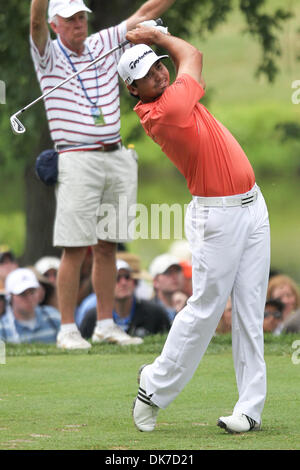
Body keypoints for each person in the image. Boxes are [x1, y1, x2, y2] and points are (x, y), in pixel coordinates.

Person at [117, 25, 271, 434]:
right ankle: (153, 387)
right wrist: (157, 34)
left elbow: (184, 60)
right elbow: (195, 54)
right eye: (148, 76)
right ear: (135, 91)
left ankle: (250, 408)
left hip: (253, 206)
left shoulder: (167, 95)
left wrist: (154, 39)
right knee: (205, 307)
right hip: (217, 217)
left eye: (159, 67)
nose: (160, 75)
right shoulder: (167, 112)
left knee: (250, 310)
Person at [29, 0, 176, 350]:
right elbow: (34, 21)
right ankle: (67, 330)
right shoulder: (46, 55)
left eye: (81, 16)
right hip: (77, 159)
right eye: (70, 19)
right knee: (76, 247)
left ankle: (105, 325)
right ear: (55, 26)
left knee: (109, 246)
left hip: (116, 154)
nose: (79, 23)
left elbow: (144, 14)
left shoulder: (102, 42)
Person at [79, 259, 170, 340]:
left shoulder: (155, 313)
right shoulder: (93, 316)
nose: (123, 282)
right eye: (117, 278)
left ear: (134, 282)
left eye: (127, 277)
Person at [0, 268, 61, 343]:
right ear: (10, 297)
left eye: (32, 292)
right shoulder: (2, 328)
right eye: (22, 294)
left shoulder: (53, 316)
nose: (29, 298)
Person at [149, 253, 184, 323]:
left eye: (177, 271)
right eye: (167, 272)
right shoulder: (147, 311)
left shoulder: (191, 306)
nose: (174, 276)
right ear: (155, 281)